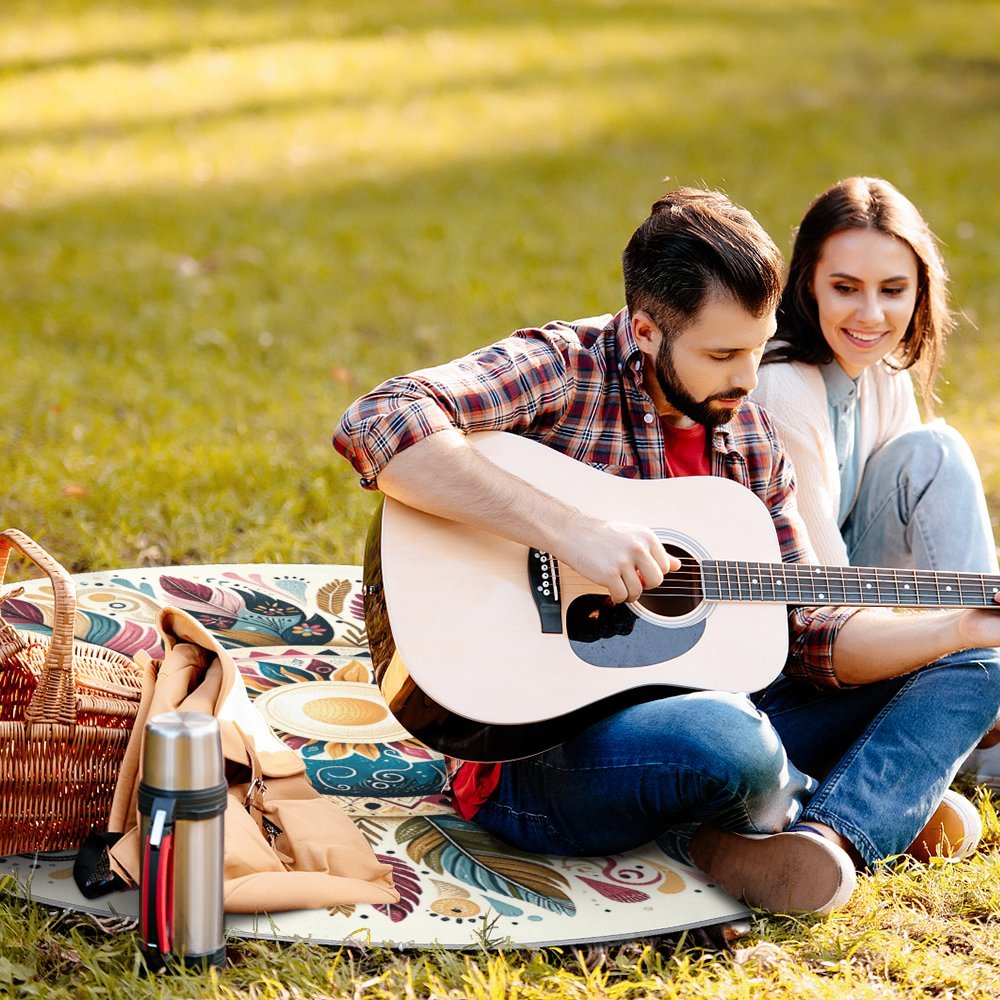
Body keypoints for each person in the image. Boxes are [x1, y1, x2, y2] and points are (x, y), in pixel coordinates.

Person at [333, 187, 1000, 916]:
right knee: (729, 741)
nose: (748, 380)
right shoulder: (564, 367)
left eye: (757, 346)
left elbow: (809, 629)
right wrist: (569, 531)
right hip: (535, 755)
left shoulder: (748, 436)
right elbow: (380, 419)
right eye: (722, 354)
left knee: (980, 665)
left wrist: (956, 628)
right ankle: (849, 798)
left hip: (725, 709)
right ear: (646, 330)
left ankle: (830, 837)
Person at [753, 176, 1000, 791]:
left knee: (931, 451)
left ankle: (977, 696)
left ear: (920, 291)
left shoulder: (882, 371)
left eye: (893, 290)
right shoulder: (783, 385)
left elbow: (921, 536)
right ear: (807, 281)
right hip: (796, 647)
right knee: (937, 451)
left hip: (862, 609)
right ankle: (976, 711)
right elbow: (824, 602)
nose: (871, 315)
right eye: (845, 288)